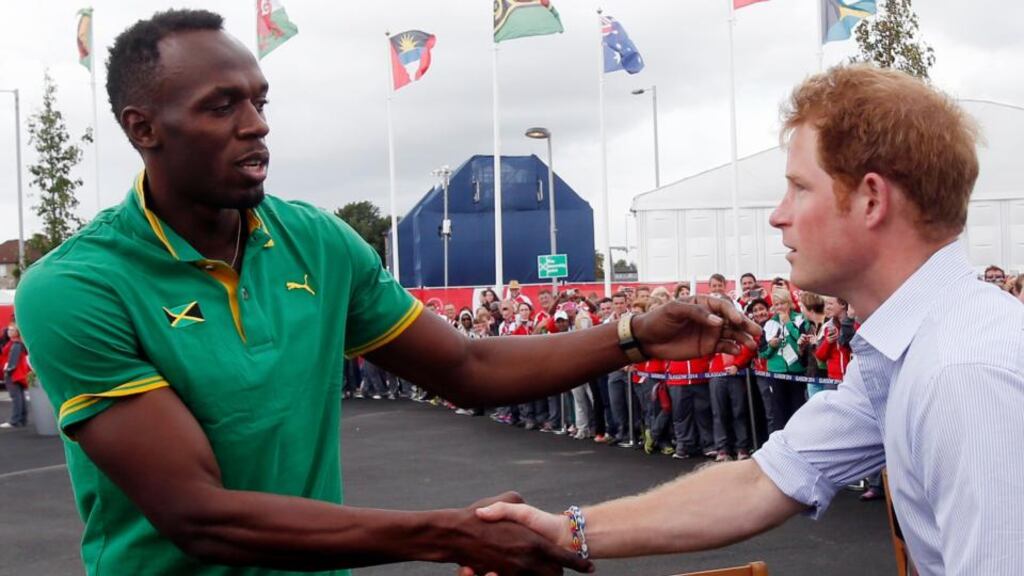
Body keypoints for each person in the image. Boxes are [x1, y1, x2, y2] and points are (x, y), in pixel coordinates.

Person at [14, 11, 759, 576]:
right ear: (143, 127)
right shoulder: (77, 286)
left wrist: (631, 337)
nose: (257, 126)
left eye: (259, 101)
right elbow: (197, 514)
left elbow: (466, 369)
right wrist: (444, 533)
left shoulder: (316, 240)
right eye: (222, 107)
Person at [473, 64, 1024, 576]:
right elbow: (765, 481)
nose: (777, 214)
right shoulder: (916, 347)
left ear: (872, 199)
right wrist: (565, 532)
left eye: (800, 187)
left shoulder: (963, 373)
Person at [0, 324, 31, 429]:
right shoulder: (19, 343)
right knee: (20, 396)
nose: (9, 331)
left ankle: (15, 420)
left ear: (16, 332)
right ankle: (22, 419)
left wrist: (8, 371)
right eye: (8, 330)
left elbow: (12, 360)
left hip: (13, 374)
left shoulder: (15, 344)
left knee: (16, 397)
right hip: (18, 374)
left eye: (12, 330)